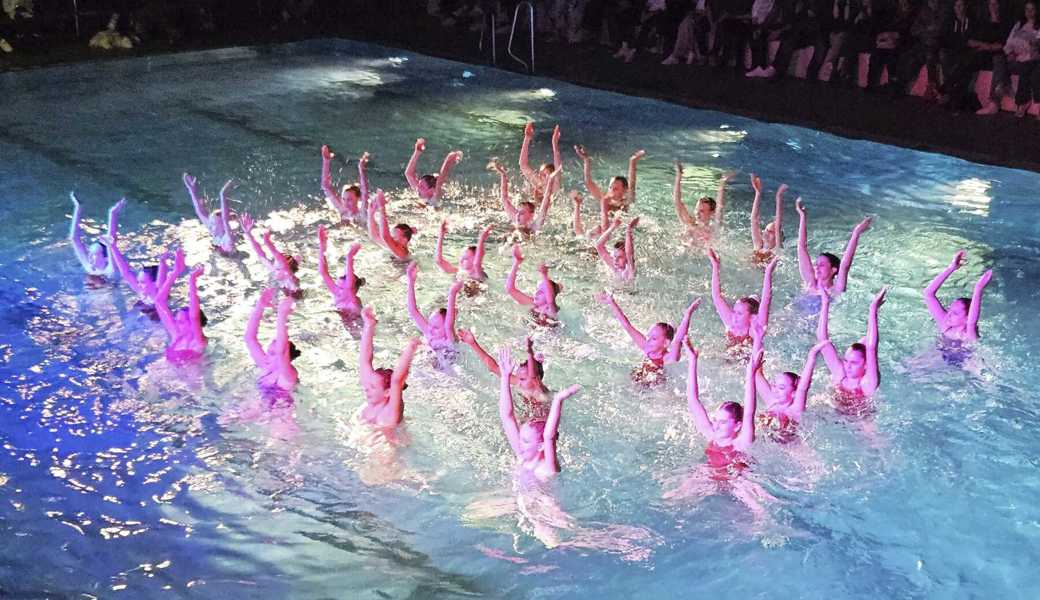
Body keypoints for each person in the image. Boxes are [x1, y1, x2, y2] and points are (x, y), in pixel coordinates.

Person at [497, 346, 581, 480]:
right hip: (519, 499)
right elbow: (507, 416)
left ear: (541, 446)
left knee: (548, 502)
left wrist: (558, 400)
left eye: (525, 441)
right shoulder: (521, 455)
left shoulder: (548, 468)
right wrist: (505, 377)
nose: (520, 443)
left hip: (540, 500)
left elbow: (549, 436)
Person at [595, 291, 700, 383]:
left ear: (665, 343)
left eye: (654, 339)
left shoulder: (668, 358)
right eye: (649, 336)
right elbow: (627, 325)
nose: (648, 340)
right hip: (639, 380)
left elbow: (678, 340)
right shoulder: (647, 347)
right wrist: (611, 302)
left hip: (655, 388)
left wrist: (688, 315)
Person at [751, 323, 829, 443]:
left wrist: (812, 356)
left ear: (793, 393)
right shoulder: (772, 401)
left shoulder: (795, 409)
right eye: (774, 386)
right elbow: (756, 372)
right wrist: (757, 339)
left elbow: (803, 387)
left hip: (791, 448)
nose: (775, 390)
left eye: (781, 387)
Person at [816, 286, 887, 410]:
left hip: (860, 421)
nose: (847, 366)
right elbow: (822, 340)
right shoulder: (840, 375)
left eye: (854, 363)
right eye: (846, 360)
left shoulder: (867, 384)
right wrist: (825, 303)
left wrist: (873, 310)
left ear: (865, 365)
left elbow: (871, 347)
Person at [357, 306, 421, 428]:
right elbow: (364, 360)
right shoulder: (373, 402)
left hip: (386, 446)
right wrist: (369, 325)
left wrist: (411, 348)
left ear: (387, 392)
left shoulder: (390, 414)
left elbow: (397, 380)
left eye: (372, 387)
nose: (366, 388)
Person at [795, 198, 871, 299]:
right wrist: (802, 216)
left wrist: (856, 233)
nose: (816, 268)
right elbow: (801, 247)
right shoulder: (810, 283)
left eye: (821, 265)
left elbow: (845, 266)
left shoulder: (836, 290)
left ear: (833, 270)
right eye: (816, 265)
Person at [458, 332, 552, 406]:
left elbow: (533, 374)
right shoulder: (520, 382)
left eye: (523, 379)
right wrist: (473, 343)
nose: (519, 382)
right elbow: (494, 368)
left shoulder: (540, 391)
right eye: (519, 377)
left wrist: (529, 350)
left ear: (537, 379)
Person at [707, 248, 777, 346]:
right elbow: (716, 296)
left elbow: (766, 301)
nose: (734, 316)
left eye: (740, 313)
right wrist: (715, 266)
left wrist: (768, 272)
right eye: (735, 311)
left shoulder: (755, 329)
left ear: (752, 317)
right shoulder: (731, 322)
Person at [984, 0, 1040, 117]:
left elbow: (1033, 47)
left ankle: (1021, 102)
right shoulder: (1018, 25)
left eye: (1032, 10)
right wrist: (1010, 53)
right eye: (1027, 10)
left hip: (1029, 61)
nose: (1029, 12)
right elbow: (1009, 43)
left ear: (1036, 11)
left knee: (1027, 65)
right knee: (999, 58)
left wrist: (1021, 49)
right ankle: (996, 97)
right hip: (1016, 59)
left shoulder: (1038, 28)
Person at [923, 250, 993, 343]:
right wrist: (951, 268)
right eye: (950, 310)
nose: (949, 314)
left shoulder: (968, 335)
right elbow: (928, 294)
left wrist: (978, 289)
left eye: (955, 313)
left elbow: (972, 322)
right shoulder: (945, 324)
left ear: (967, 318)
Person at [153, 248, 208, 362]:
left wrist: (192, 280)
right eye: (177, 320)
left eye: (181, 322)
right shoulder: (176, 335)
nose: (176, 323)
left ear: (192, 325)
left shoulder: (198, 343)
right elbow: (159, 302)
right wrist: (175, 272)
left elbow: (194, 317)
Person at [244, 288, 300, 393]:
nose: (268, 352)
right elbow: (249, 338)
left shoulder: (288, 375)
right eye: (270, 349)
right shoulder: (266, 364)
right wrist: (260, 306)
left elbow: (281, 352)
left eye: (272, 352)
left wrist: (282, 315)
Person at [405, 262, 465, 351]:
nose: (431, 329)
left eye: (436, 328)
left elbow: (449, 324)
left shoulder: (450, 340)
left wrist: (452, 293)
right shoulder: (429, 333)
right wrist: (411, 281)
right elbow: (413, 311)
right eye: (430, 325)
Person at [492, 160, 560, 235]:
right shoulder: (515, 218)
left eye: (522, 213)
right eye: (518, 212)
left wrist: (550, 182)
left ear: (531, 215)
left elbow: (546, 202)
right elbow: (504, 198)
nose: (517, 214)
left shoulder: (535, 226)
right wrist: (503, 175)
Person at [101, 233, 168, 308]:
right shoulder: (142, 292)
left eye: (142, 282)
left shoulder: (159, 295)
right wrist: (113, 247)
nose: (138, 285)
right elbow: (126, 273)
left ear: (154, 283)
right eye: (138, 281)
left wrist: (162, 262)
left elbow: (161, 280)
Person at [673, 162, 733, 245]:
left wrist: (722, 183)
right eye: (696, 209)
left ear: (711, 213)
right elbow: (677, 203)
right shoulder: (689, 224)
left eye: (701, 211)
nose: (697, 213)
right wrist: (678, 176)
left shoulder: (714, 228)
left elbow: (720, 207)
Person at [240, 213, 301, 293]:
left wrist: (248, 233)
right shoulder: (284, 270)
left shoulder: (276, 269)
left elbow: (260, 251)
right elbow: (264, 251)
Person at [574, 145, 645, 212]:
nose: (611, 191)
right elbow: (588, 182)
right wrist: (586, 161)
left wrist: (632, 161)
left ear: (624, 190)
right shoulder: (604, 199)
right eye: (610, 187)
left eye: (615, 188)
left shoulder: (627, 201)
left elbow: (632, 182)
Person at [69, 192, 124, 279]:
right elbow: (74, 239)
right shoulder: (88, 267)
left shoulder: (109, 271)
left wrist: (113, 213)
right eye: (89, 253)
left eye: (94, 254)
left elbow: (111, 242)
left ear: (105, 258)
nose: (89, 257)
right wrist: (78, 208)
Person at [505, 245, 563, 324]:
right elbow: (510, 289)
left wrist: (545, 275)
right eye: (537, 290)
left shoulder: (551, 309)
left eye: (542, 292)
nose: (537, 293)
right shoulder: (533, 304)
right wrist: (516, 263)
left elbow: (550, 300)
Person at [316, 225, 364, 314]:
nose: (344, 276)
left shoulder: (345, 291)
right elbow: (323, 272)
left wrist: (350, 257)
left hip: (352, 318)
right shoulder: (338, 291)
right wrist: (322, 244)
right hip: (352, 318)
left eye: (345, 277)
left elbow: (324, 272)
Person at [183, 173, 236, 254]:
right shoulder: (226, 237)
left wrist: (191, 190)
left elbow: (199, 209)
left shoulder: (212, 226)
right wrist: (222, 195)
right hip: (226, 252)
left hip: (224, 251)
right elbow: (224, 220)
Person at [404, 137, 463, 206]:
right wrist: (417, 152)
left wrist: (449, 159)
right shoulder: (420, 190)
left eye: (422, 187)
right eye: (420, 184)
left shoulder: (434, 198)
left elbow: (441, 178)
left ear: (431, 190)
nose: (418, 187)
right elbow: (408, 174)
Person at [320, 145, 370, 222]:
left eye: (349, 200)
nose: (346, 203)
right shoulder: (343, 211)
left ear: (358, 198)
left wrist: (361, 170)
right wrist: (326, 161)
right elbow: (325, 186)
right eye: (344, 199)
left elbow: (365, 192)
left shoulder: (362, 213)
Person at [518, 122, 563, 201]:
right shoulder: (538, 182)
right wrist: (527, 138)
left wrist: (555, 144)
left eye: (544, 174)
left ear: (553, 175)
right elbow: (523, 165)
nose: (540, 176)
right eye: (540, 173)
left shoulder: (554, 186)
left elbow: (558, 166)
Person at [366, 190, 415, 261]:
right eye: (392, 237)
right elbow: (374, 236)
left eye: (394, 237)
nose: (391, 239)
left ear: (405, 240)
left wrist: (382, 207)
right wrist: (370, 212)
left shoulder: (402, 252)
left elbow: (385, 237)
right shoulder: (393, 247)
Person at [749, 175, 786, 264]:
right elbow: (754, 219)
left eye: (771, 232)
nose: (766, 232)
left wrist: (779, 198)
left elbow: (779, 219)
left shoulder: (776, 251)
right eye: (766, 230)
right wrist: (758, 193)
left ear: (779, 238)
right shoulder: (758, 245)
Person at [593, 216, 639, 282]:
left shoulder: (629, 271)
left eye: (620, 257)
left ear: (626, 258)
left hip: (626, 292)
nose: (616, 260)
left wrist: (629, 231)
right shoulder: (614, 267)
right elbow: (599, 246)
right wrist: (613, 226)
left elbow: (629, 253)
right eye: (614, 256)